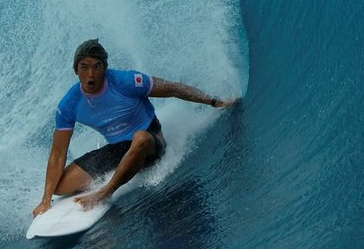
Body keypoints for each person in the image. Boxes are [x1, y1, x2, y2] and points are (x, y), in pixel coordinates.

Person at [32, 39, 238, 216]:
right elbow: (58, 152)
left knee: (140, 138)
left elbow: (173, 88)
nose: (91, 74)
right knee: (60, 186)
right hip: (119, 150)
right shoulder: (69, 103)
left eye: (97, 66)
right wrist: (46, 200)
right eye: (84, 67)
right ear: (76, 70)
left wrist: (213, 101)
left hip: (150, 143)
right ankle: (120, 169)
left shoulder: (126, 81)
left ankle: (105, 191)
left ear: (105, 67)